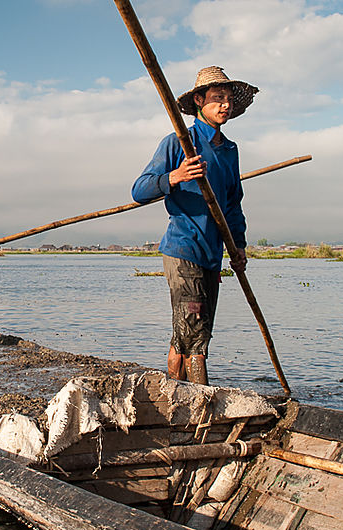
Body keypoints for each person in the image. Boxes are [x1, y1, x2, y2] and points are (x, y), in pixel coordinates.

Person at [131, 66, 258, 385]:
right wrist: (174, 177)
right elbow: (139, 190)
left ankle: (171, 396)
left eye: (229, 99)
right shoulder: (178, 143)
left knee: (185, 336)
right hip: (183, 249)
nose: (225, 105)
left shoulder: (230, 151)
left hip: (211, 255)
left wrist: (238, 246)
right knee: (196, 344)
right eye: (218, 98)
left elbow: (232, 204)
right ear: (199, 100)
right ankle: (201, 407)